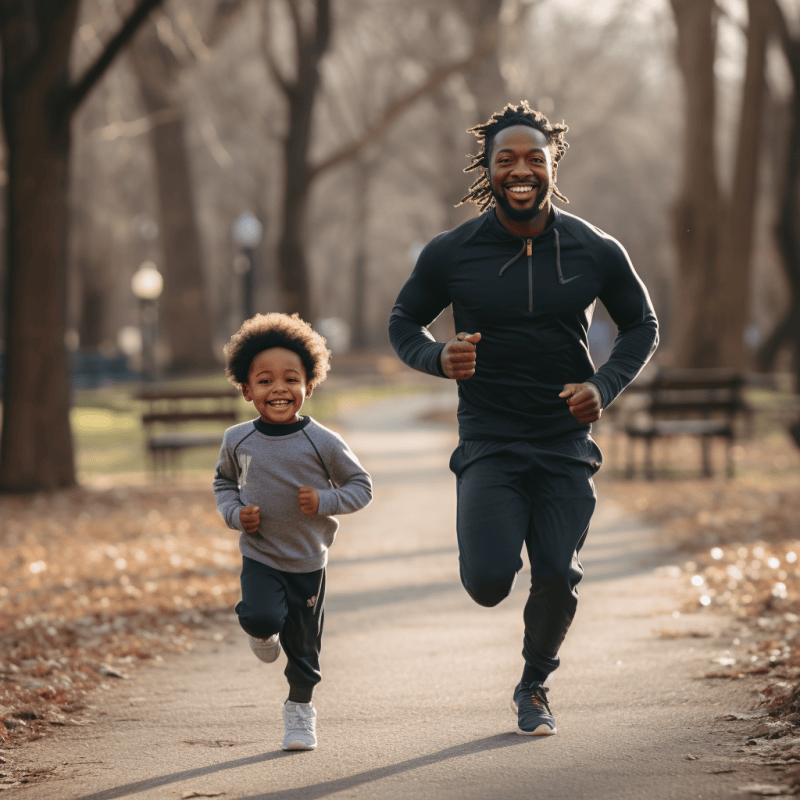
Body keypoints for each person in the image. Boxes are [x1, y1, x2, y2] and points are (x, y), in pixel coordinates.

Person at [389, 101, 658, 737]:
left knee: (559, 575)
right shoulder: (453, 252)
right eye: (506, 158)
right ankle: (512, 622)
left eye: (535, 158)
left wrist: (604, 385)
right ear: (488, 169)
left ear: (552, 166)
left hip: (565, 439)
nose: (521, 169)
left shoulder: (594, 248)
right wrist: (437, 357)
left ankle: (534, 684)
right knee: (486, 581)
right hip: (489, 438)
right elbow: (403, 321)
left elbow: (641, 324)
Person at [213, 312, 372, 751]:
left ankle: (299, 711)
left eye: (290, 379)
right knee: (262, 616)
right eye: (264, 381)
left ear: (309, 384)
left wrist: (325, 501)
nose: (278, 389)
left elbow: (362, 487)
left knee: (304, 647)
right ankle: (261, 630)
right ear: (246, 389)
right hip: (261, 553)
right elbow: (224, 483)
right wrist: (234, 513)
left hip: (308, 558)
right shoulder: (237, 440)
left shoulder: (322, 441)